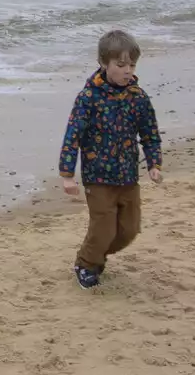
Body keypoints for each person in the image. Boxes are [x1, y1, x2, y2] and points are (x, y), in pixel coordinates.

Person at [58, 28, 163, 289]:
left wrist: (154, 163)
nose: (128, 70)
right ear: (104, 64)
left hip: (128, 176)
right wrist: (67, 175)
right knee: (103, 228)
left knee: (128, 230)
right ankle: (86, 263)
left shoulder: (138, 97)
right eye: (121, 64)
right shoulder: (88, 98)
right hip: (98, 178)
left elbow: (149, 133)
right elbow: (73, 135)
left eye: (132, 64)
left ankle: (97, 255)